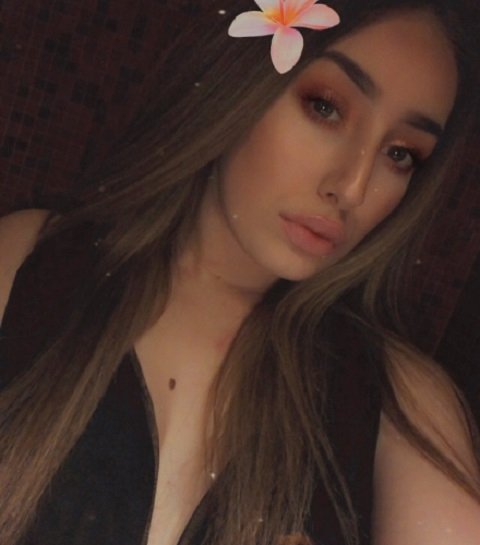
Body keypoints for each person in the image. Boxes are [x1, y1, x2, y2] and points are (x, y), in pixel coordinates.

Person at [0, 0, 479, 544]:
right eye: (325, 107)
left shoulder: (399, 402)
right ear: (240, 84)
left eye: (400, 154)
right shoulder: (27, 265)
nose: (352, 188)